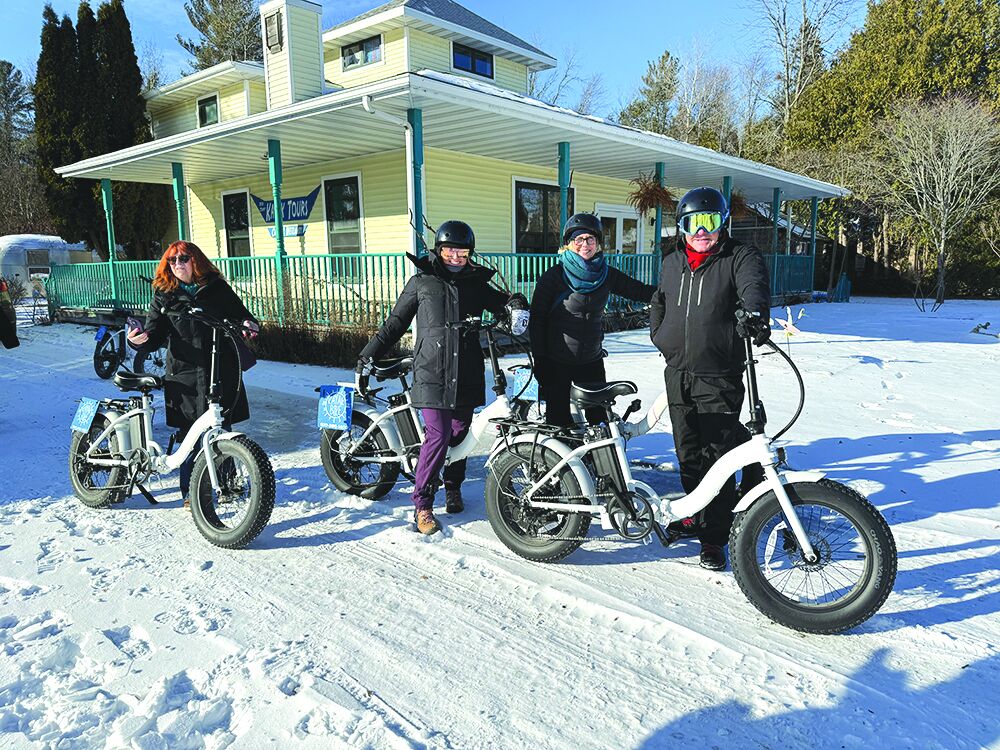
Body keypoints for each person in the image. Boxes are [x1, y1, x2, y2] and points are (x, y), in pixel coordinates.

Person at [357, 221, 529, 535]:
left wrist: (516, 303)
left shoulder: (475, 284)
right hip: (431, 372)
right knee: (438, 434)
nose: (456, 257)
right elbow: (395, 323)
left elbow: (503, 303)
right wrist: (367, 356)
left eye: (462, 253)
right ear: (440, 250)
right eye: (451, 250)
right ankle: (422, 504)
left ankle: (452, 486)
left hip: (466, 372)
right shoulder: (422, 282)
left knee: (461, 434)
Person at [649, 187, 771, 571]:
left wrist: (754, 316)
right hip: (678, 372)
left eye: (710, 222)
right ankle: (695, 514)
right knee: (687, 450)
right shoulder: (672, 262)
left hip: (719, 373)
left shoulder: (740, 257)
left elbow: (754, 289)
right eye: (693, 223)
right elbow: (660, 302)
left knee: (717, 454)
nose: (702, 231)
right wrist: (661, 337)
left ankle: (714, 536)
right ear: (682, 227)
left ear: (722, 223)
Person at [127, 241, 260, 505]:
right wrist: (138, 339)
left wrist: (249, 325)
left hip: (219, 368)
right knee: (191, 434)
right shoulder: (164, 295)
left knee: (221, 427)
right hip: (184, 373)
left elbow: (243, 316)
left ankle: (226, 484)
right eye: (172, 261)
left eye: (183, 259)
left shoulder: (216, 288)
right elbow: (154, 334)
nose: (177, 264)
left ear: (195, 260)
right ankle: (191, 493)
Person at [529, 213, 656, 427]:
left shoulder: (606, 275)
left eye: (590, 239)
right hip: (557, 361)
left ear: (598, 243)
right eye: (578, 239)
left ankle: (594, 460)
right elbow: (537, 319)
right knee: (559, 422)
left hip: (591, 360)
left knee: (600, 421)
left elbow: (639, 291)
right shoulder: (554, 276)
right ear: (569, 244)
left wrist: (673, 294)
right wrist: (540, 359)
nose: (584, 244)